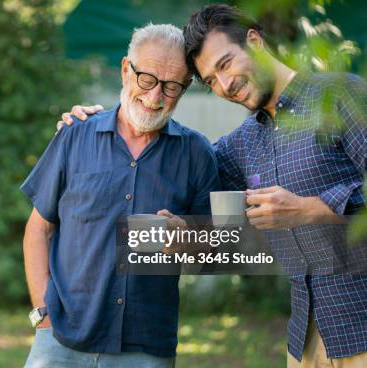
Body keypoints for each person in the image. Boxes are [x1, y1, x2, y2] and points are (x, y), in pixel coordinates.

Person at [60, 5, 366, 367]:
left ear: (254, 41)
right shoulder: (243, 144)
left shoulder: (340, 95)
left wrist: (311, 208)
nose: (224, 86)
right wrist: (105, 124)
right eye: (210, 81)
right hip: (305, 341)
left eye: (225, 64)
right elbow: (172, 164)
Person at [21, 23, 219, 367]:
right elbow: (39, 229)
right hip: (60, 341)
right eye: (147, 79)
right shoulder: (74, 135)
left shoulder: (197, 154)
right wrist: (43, 313)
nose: (155, 96)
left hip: (145, 348)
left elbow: (217, 250)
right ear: (126, 69)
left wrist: (189, 240)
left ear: (185, 88)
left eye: (171, 87)